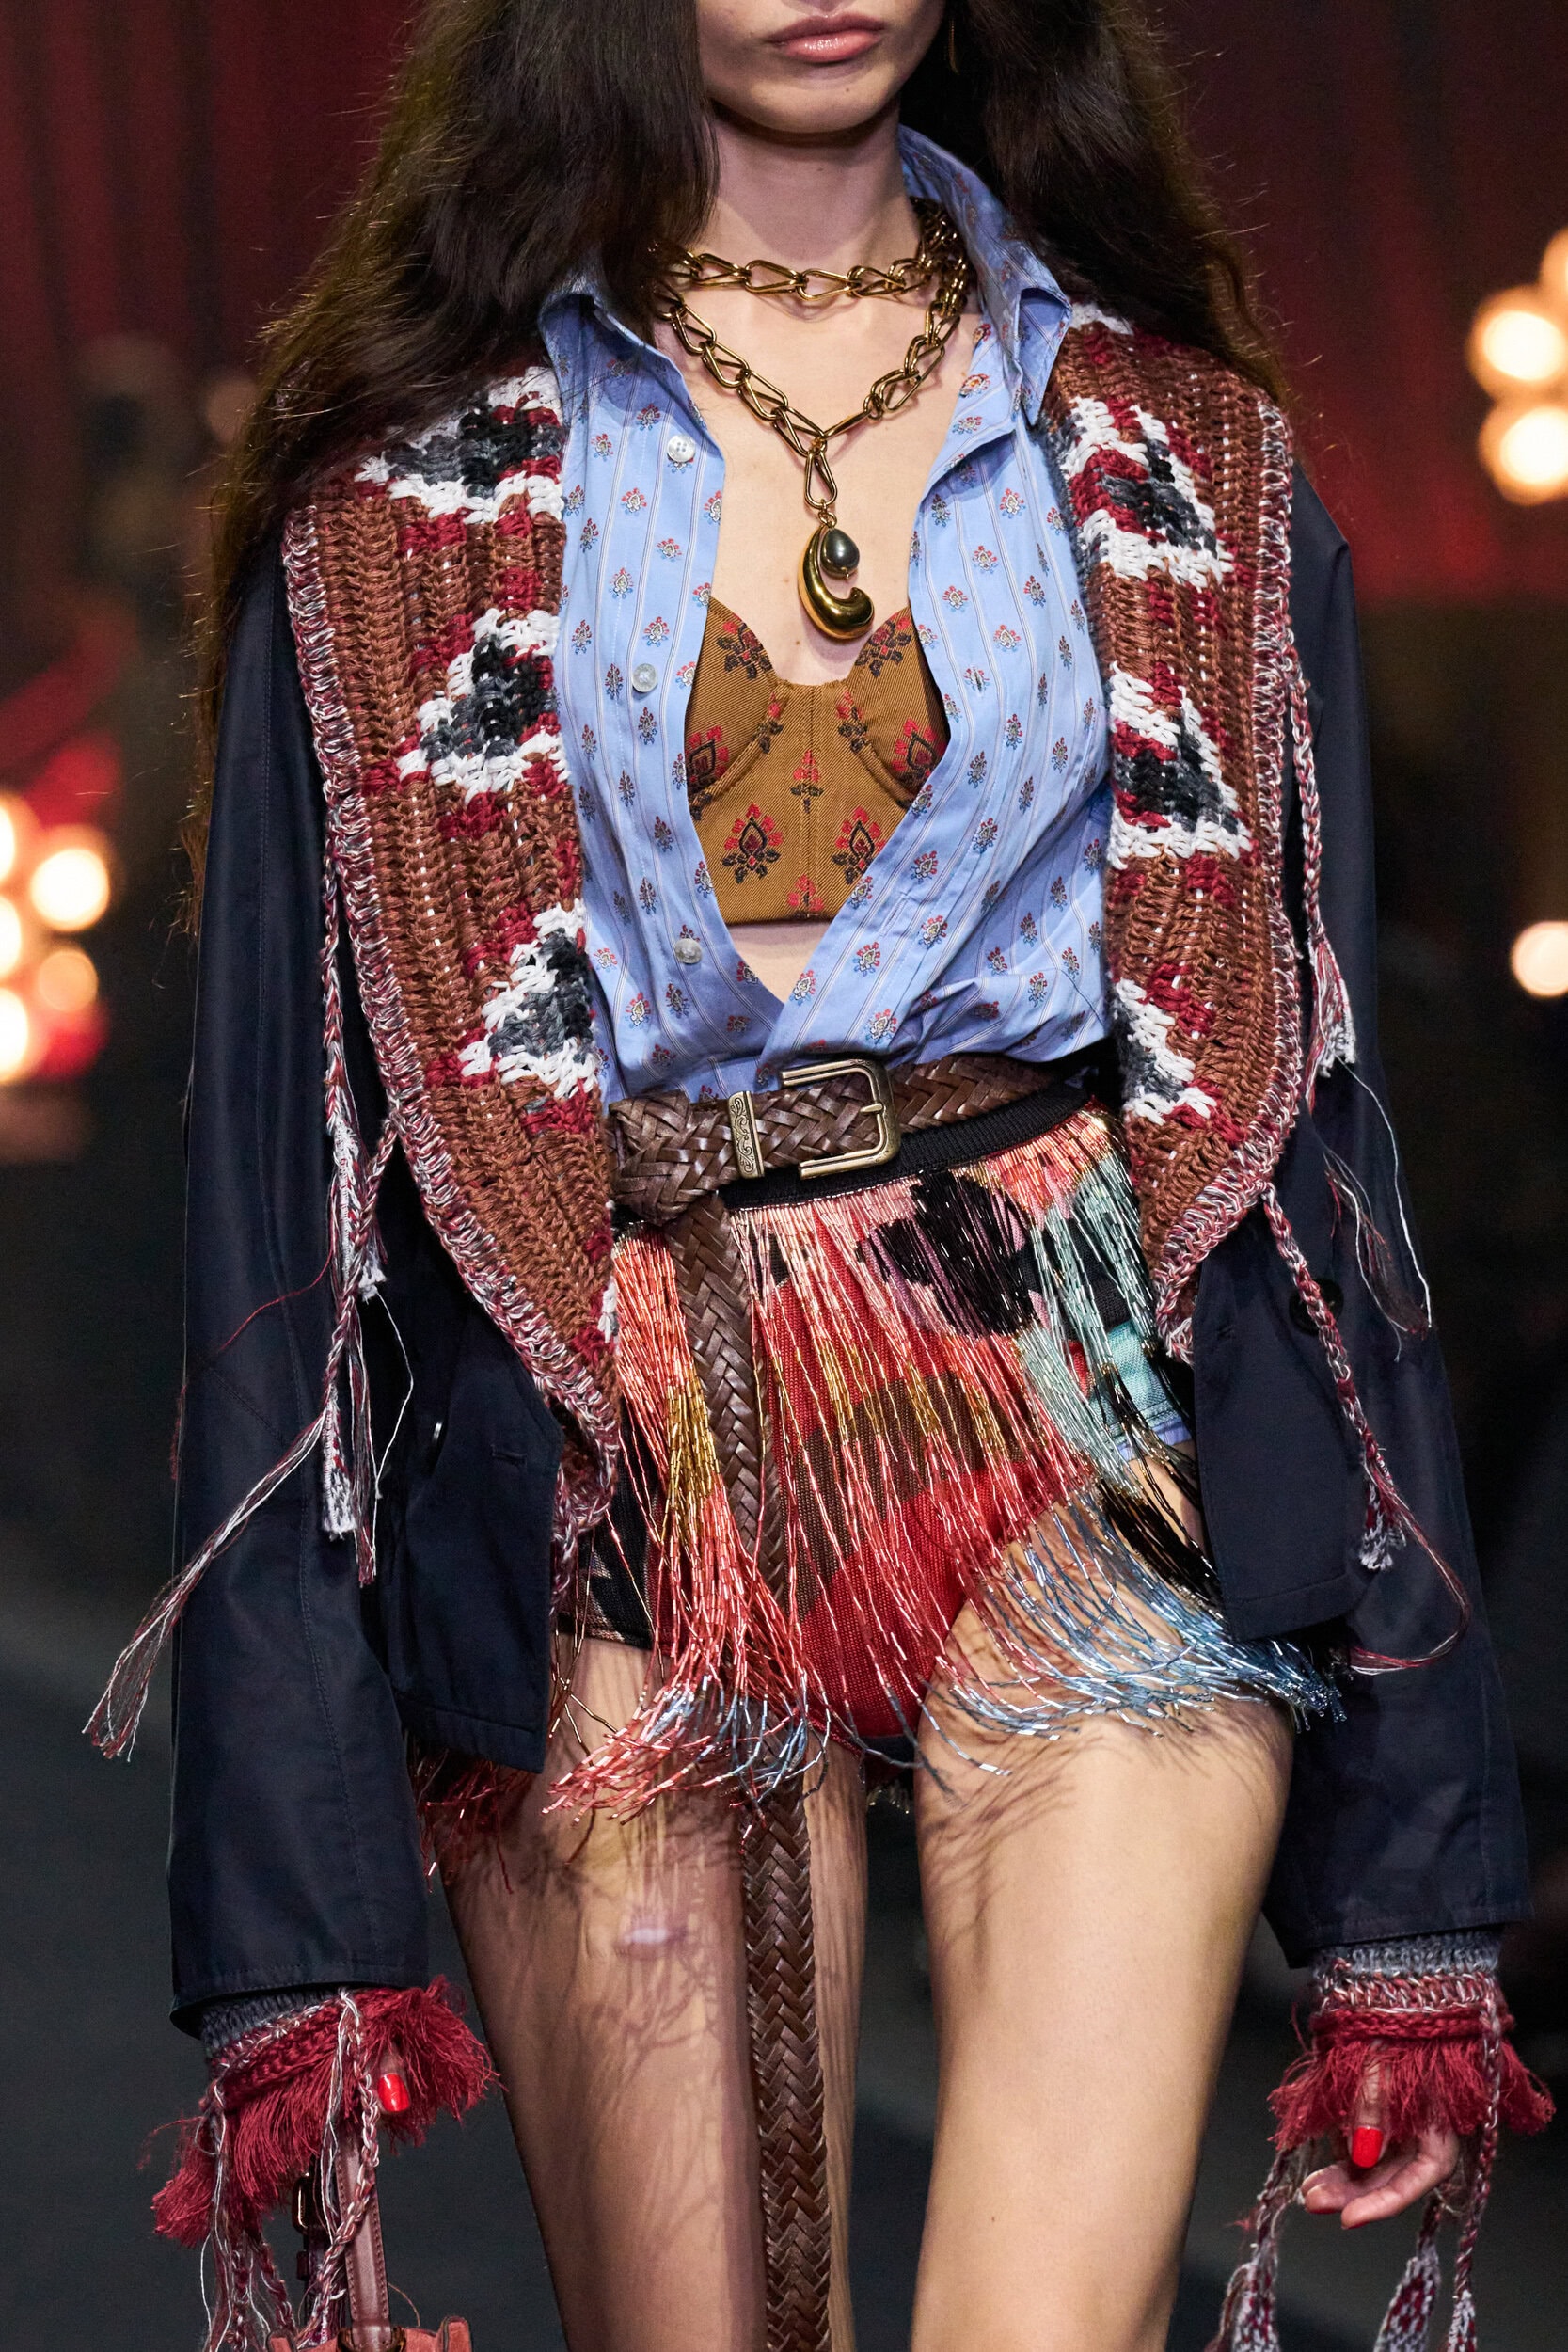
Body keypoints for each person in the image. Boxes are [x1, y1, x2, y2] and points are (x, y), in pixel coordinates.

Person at [101, 5, 1550, 2349]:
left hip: (1089, 1412)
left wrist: (1414, 1868)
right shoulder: (409, 486)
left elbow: (1311, 1124)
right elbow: (284, 1198)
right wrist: (297, 1937)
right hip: (613, 1446)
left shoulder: (1178, 452)